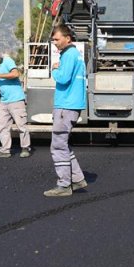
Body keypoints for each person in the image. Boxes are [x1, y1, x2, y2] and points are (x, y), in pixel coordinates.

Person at [44, 24, 88, 197]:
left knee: (58, 146)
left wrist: (55, 69)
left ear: (67, 38)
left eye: (56, 39)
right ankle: (77, 180)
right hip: (71, 105)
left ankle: (64, 185)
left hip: (66, 106)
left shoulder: (69, 55)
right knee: (63, 145)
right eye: (53, 39)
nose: (54, 42)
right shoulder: (74, 55)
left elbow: (63, 78)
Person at [0, 52, 32, 159]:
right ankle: (5, 150)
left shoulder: (7, 61)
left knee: (21, 125)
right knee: (2, 126)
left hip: (16, 99)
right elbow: (0, 88)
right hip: (4, 101)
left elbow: (15, 74)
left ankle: (25, 148)